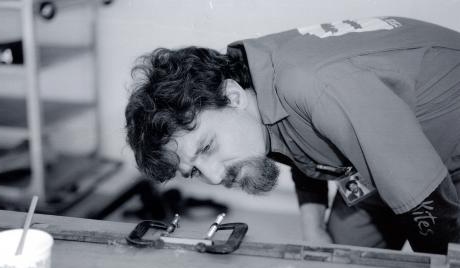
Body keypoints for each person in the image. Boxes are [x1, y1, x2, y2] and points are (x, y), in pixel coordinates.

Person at [125, 16, 460, 254]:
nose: (213, 176)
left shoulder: (313, 87)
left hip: (442, 164)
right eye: (194, 170)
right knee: (340, 260)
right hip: (381, 156)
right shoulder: (256, 89)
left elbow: (430, 208)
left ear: (233, 96)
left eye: (208, 147)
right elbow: (298, 140)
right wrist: (313, 228)